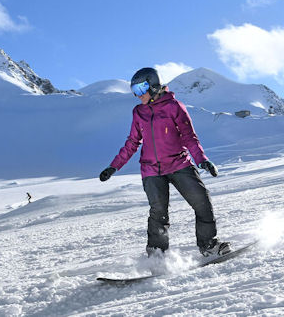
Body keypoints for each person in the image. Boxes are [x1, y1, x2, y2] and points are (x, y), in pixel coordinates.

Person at [99, 67, 231, 258]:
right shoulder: (138, 112)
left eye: (140, 89)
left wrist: (202, 160)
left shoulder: (174, 106)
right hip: (151, 170)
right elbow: (132, 142)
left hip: (179, 164)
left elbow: (189, 137)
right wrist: (114, 166)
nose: (138, 95)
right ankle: (157, 258)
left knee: (202, 202)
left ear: (153, 85)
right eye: (134, 91)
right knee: (158, 214)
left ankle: (209, 246)